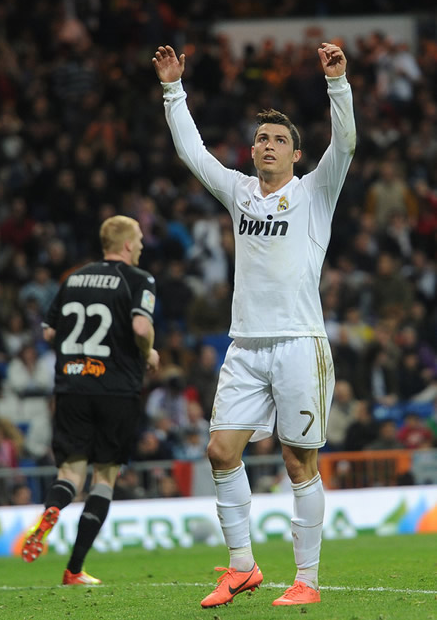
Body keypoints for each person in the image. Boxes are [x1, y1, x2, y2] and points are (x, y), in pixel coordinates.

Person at [152, 41, 356, 607]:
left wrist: (337, 85)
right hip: (245, 345)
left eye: (279, 140)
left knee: (298, 462)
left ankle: (307, 582)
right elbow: (193, 154)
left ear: (296, 155)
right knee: (221, 451)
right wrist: (173, 90)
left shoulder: (314, 192)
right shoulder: (240, 193)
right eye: (262, 138)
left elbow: (347, 145)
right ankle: (243, 567)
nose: (268, 145)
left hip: (299, 343)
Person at [21, 215, 159, 584]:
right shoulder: (139, 279)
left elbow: (50, 331)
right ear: (127, 244)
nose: (143, 244)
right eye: (140, 239)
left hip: (72, 388)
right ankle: (74, 568)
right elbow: (141, 326)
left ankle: (53, 508)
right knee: (104, 477)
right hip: (116, 389)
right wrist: (149, 352)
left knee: (69, 472)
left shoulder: (72, 278)